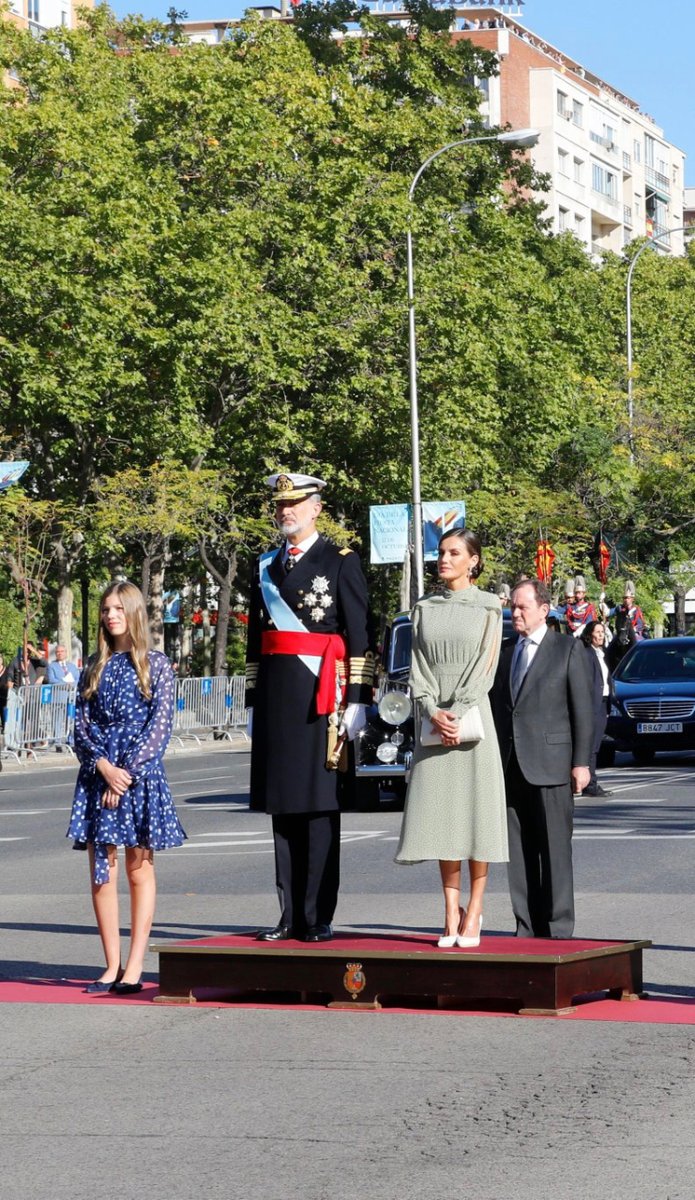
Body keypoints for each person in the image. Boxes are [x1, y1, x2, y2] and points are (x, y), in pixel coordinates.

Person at [246, 472, 374, 943]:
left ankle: (318, 914)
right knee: (282, 809)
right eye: (281, 504)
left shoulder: (340, 561)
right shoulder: (263, 565)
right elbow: (255, 642)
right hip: (280, 702)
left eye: (295, 504)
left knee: (319, 809)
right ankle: (288, 914)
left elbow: (359, 635)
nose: (286, 511)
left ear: (316, 508)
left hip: (323, 702)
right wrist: (253, 700)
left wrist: (358, 700)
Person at [67, 581, 186, 994]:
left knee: (139, 868)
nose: (110, 615)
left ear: (133, 611)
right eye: (105, 609)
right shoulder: (92, 667)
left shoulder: (156, 664)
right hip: (98, 776)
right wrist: (102, 766)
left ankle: (135, 965)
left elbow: (160, 729)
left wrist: (124, 774)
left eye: (118, 608)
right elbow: (80, 728)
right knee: (102, 872)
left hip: (138, 776)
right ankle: (110, 964)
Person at [395, 529, 507, 949]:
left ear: (473, 560)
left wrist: (457, 711)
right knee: (443, 819)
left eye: (453, 552)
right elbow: (417, 666)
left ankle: (475, 908)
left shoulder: (490, 606)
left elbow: (486, 667)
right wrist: (431, 708)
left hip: (473, 721)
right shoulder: (423, 607)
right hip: (433, 721)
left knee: (475, 817)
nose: (443, 558)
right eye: (441, 552)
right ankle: (449, 911)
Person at [490, 579, 593, 939]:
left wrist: (582, 762)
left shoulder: (567, 649)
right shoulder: (505, 652)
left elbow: (584, 709)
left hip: (552, 765)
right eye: (513, 608)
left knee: (554, 852)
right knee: (519, 851)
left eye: (522, 607)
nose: (515, 613)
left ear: (544, 610)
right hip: (510, 764)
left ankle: (559, 927)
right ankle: (527, 926)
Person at [580, 621, 612, 798]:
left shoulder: (602, 654)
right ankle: (590, 783)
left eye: (602, 632)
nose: (600, 635)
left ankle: (590, 780)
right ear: (589, 634)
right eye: (597, 632)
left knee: (596, 745)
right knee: (591, 746)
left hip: (602, 703)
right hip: (592, 704)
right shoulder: (586, 654)